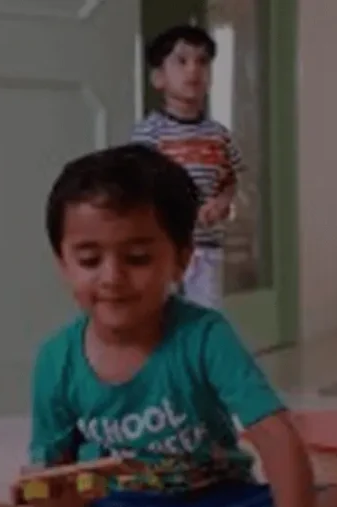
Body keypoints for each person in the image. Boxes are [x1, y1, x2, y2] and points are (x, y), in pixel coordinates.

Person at [0, 144, 337, 507]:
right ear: (62, 263)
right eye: (89, 259)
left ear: (181, 259)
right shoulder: (56, 358)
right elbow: (54, 478)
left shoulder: (205, 336)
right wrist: (53, 498)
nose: (112, 278)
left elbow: (275, 435)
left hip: (222, 506)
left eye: (137, 257)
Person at [131, 24, 242, 309]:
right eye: (181, 61)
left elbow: (230, 180)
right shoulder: (149, 133)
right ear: (159, 77)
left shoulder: (219, 135)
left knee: (205, 314)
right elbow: (139, 186)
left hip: (206, 248)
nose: (193, 70)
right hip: (163, 244)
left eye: (202, 61)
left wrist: (221, 202)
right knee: (161, 313)